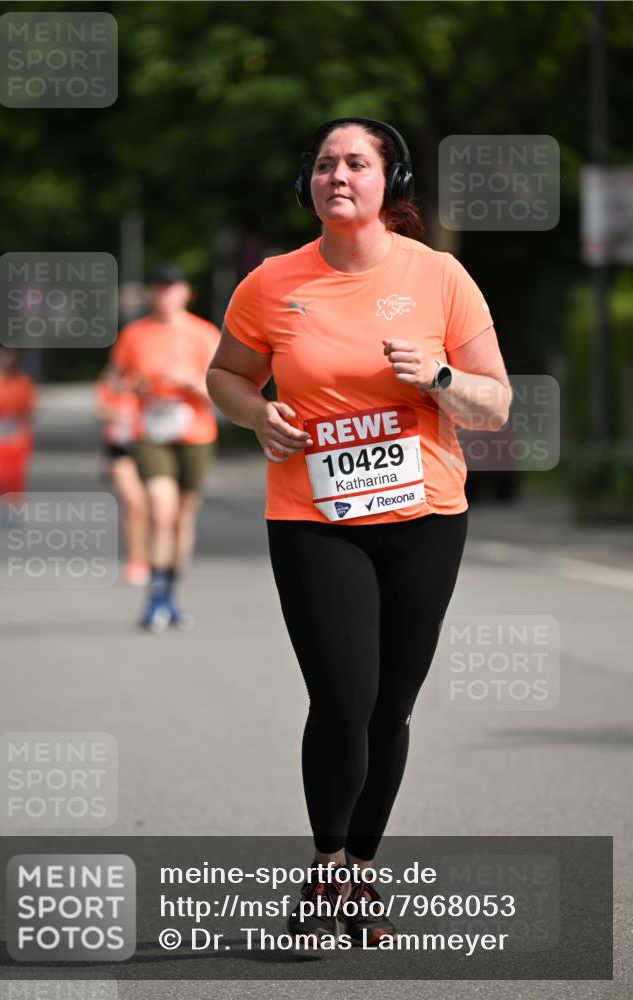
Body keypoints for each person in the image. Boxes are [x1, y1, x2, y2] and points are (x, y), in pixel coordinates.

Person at [207, 118, 512, 946]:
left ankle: (360, 875)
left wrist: (439, 375)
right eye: (322, 165)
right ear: (304, 184)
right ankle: (329, 861)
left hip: (424, 517)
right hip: (314, 518)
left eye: (355, 163)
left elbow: (495, 403)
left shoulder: (439, 276)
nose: (336, 175)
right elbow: (225, 376)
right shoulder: (270, 282)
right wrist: (255, 415)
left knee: (390, 708)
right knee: (342, 699)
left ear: (389, 180)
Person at [106, 263, 220, 632]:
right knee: (161, 507)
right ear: (151, 293)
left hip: (195, 434)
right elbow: (115, 383)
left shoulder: (205, 335)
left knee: (183, 517)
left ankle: (170, 594)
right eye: (159, 287)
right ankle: (155, 596)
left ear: (186, 292)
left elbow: (223, 393)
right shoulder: (134, 334)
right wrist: (133, 388)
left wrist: (189, 384)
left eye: (172, 287)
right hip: (151, 433)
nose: (165, 294)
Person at [95, 372, 149, 586]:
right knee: (134, 503)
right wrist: (118, 413)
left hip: (150, 447)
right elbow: (98, 410)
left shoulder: (150, 379)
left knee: (153, 505)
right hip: (119, 449)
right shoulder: (111, 380)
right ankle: (136, 559)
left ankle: (153, 555)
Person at [0, 348, 36, 520]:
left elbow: (29, 409)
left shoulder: (24, 382)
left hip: (17, 434)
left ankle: (13, 511)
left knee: (14, 475)